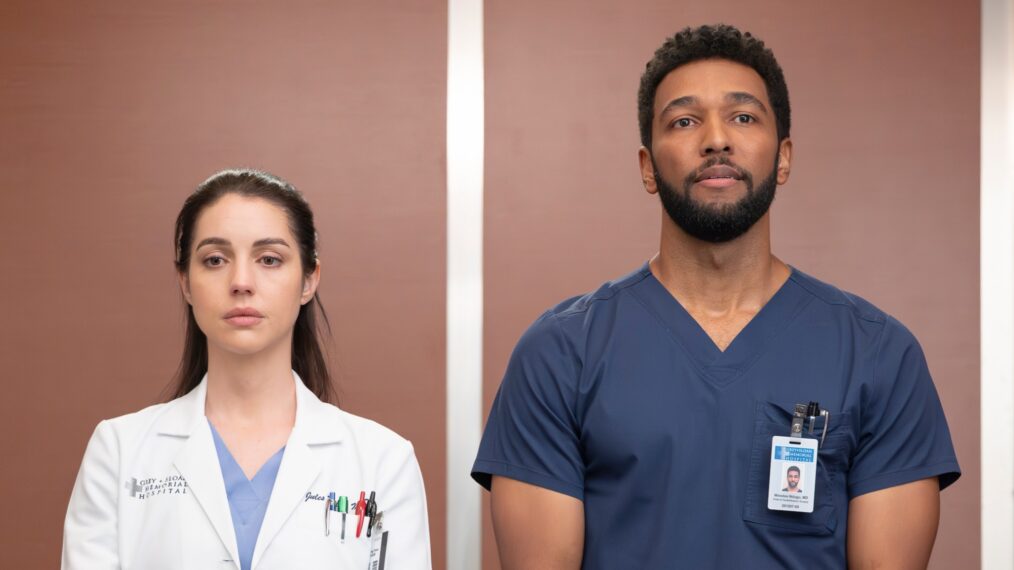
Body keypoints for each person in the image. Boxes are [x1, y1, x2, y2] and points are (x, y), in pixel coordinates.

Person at [472, 24, 960, 569]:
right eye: (684, 121)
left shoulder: (878, 355)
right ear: (647, 168)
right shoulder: (561, 354)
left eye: (743, 117)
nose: (716, 139)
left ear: (784, 158)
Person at [63, 169, 432, 569]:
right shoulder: (119, 452)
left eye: (269, 259)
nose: (241, 282)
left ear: (309, 280)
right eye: (215, 260)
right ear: (185, 282)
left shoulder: (382, 461)